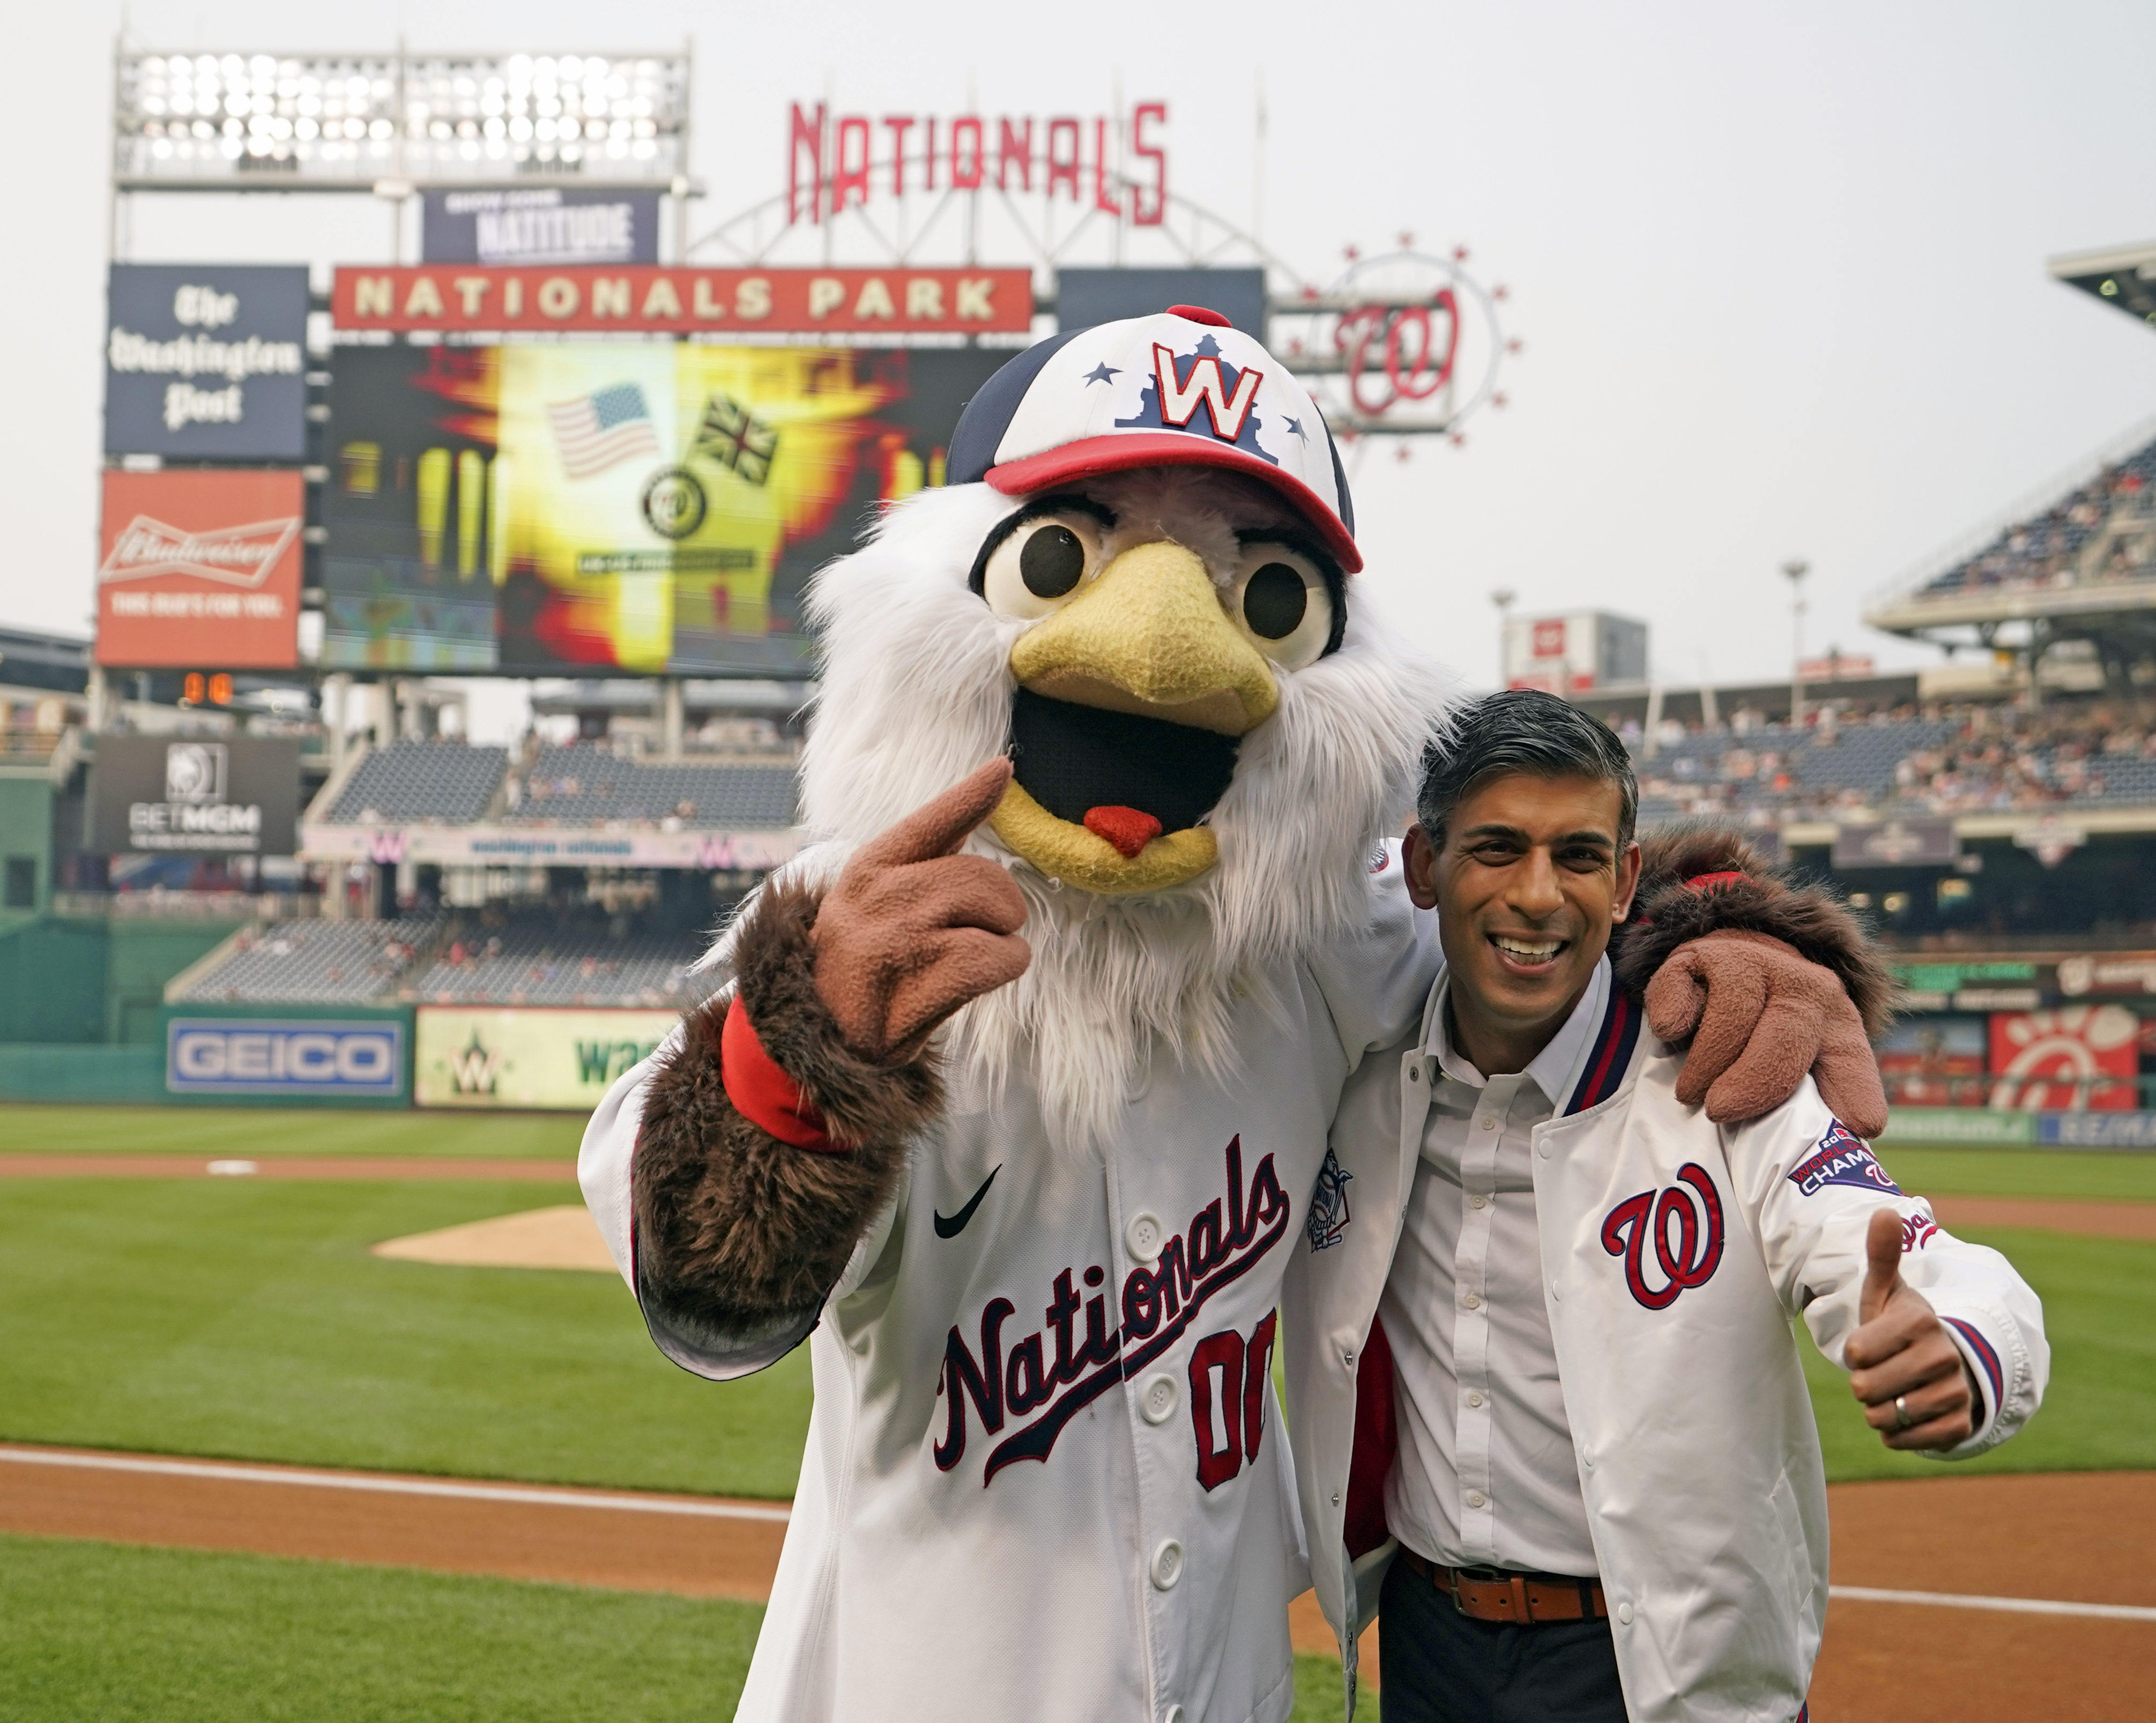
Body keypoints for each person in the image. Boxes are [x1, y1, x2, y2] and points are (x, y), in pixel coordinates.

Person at [579, 309, 1896, 1723]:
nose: (1162, 649)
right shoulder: (856, 922)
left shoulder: (1321, 946)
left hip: (1224, 1687)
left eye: (1262, 598)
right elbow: (700, 1295)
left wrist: (1704, 936)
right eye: (1062, 556)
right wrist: (797, 1057)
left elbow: (1528, 961)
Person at [1283, 690, 2048, 1722]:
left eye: (1581, 856)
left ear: (1628, 877)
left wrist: (1962, 1343)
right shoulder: (1353, 1075)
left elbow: (1886, 1241)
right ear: (1423, 865)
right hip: (1427, 1647)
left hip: (1659, 1668)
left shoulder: (1725, 1078)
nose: (1539, 895)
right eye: (1497, 849)